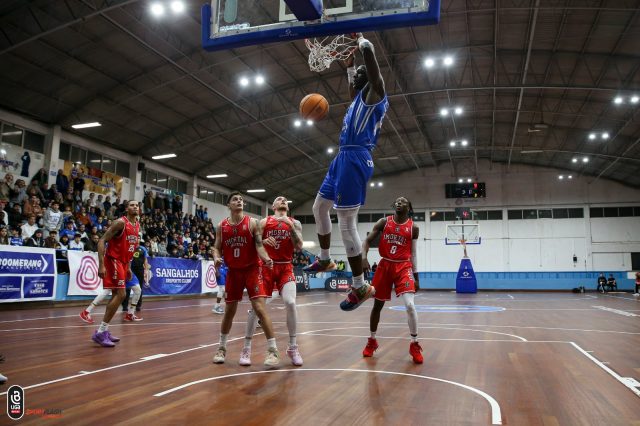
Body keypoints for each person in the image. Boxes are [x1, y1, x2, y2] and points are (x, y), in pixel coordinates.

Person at [304, 33, 388, 312]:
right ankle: (326, 258)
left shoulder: (376, 94)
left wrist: (365, 44)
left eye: (359, 73)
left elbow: (374, 76)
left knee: (347, 223)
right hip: (342, 157)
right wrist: (350, 63)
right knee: (319, 207)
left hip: (356, 158)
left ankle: (359, 285)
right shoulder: (357, 99)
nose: (356, 77)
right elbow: (354, 86)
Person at [211, 192, 279, 366]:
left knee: (259, 308)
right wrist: (216, 258)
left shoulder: (252, 223)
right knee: (229, 311)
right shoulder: (221, 226)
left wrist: (266, 259)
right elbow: (216, 248)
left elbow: (259, 246)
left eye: (241, 199)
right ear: (228, 205)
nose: (239, 201)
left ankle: (272, 351)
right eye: (235, 199)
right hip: (233, 271)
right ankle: (221, 348)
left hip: (252, 270)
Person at [243, 195, 304, 367]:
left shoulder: (295, 223)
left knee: (290, 302)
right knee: (256, 309)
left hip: (285, 267)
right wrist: (262, 240)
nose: (284, 200)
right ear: (273, 206)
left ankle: (293, 347)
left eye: (286, 199)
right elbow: (253, 245)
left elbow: (299, 246)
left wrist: (290, 225)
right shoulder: (264, 222)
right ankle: (246, 348)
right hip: (266, 267)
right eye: (279, 199)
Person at [361, 196, 423, 364]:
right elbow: (366, 240)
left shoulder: (413, 228)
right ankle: (372, 340)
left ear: (409, 207)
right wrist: (364, 257)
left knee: (410, 305)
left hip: (404, 266)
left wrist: (416, 277)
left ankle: (414, 343)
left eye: (403, 201)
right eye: (397, 200)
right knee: (377, 305)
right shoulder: (384, 222)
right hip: (385, 265)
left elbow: (414, 253)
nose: (399, 202)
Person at [90, 200, 140, 347]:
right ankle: (100, 332)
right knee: (122, 294)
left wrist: (129, 266)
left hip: (124, 263)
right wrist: (101, 265)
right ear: (126, 208)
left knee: (115, 296)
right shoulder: (120, 223)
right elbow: (102, 240)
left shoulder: (137, 225)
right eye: (132, 205)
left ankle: (104, 331)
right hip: (113, 260)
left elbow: (131, 247)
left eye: (137, 205)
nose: (135, 207)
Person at [121, 241, 150, 314]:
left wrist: (146, 270)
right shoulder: (129, 248)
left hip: (139, 270)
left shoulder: (143, 249)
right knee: (127, 288)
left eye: (138, 239)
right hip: (130, 269)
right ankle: (124, 306)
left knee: (139, 288)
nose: (136, 241)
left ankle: (138, 305)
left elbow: (145, 260)